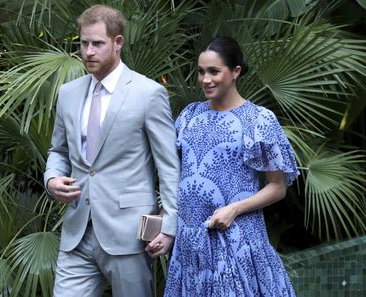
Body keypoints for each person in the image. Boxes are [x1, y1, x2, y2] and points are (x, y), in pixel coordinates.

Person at [44, 4, 180, 297]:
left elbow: (168, 166)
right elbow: (59, 150)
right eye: (83, 43)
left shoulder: (148, 93)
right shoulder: (68, 94)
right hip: (77, 232)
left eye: (97, 43)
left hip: (129, 233)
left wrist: (169, 226)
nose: (88, 51)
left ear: (118, 43)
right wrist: (52, 178)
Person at [164, 36, 300, 296]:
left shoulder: (259, 119)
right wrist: (165, 222)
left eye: (214, 71)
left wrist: (234, 209)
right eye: (201, 72)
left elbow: (277, 187)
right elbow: (176, 178)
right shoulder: (188, 116)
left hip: (236, 240)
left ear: (236, 71)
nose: (206, 79)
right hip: (190, 246)